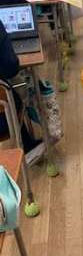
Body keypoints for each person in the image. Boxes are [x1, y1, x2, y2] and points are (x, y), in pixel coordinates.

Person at [0, 21, 43, 158]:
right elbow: (10, 67)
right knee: (15, 91)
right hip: (3, 120)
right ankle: (28, 145)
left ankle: (27, 143)